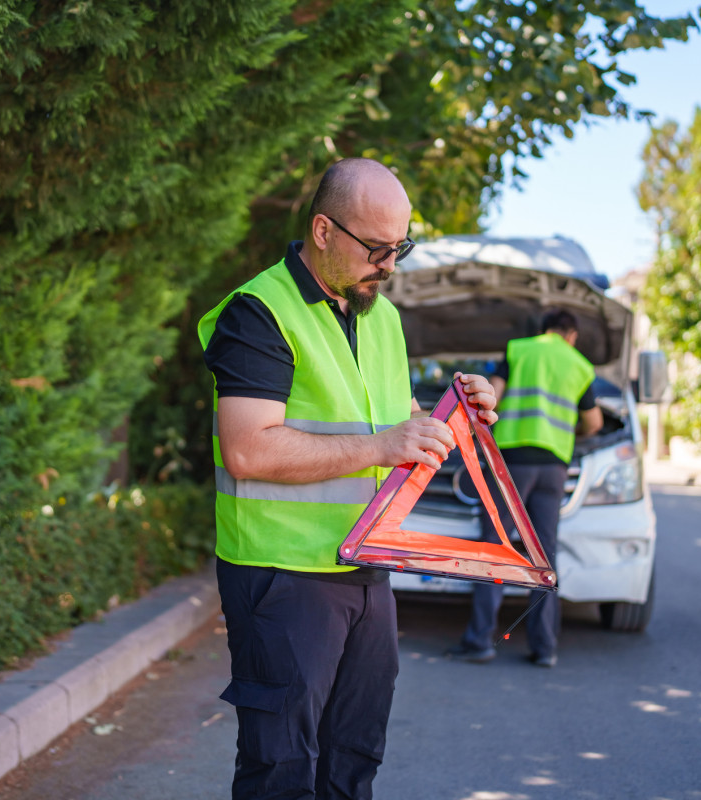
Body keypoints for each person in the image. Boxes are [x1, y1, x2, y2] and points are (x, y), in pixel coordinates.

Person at [197, 157, 498, 799]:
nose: (390, 264)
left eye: (400, 247)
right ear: (324, 230)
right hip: (283, 575)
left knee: (353, 760)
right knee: (280, 771)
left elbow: (393, 422)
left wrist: (456, 414)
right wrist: (386, 442)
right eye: (377, 248)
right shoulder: (259, 312)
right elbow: (247, 450)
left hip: (366, 565)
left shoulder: (379, 315)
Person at [449, 308, 603, 669]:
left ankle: (479, 641)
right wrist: (570, 435)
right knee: (543, 554)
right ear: (572, 336)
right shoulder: (580, 365)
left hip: (512, 464)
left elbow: (493, 398)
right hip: (553, 466)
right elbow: (594, 423)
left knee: (495, 547)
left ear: (543, 328)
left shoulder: (519, 350)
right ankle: (544, 647)